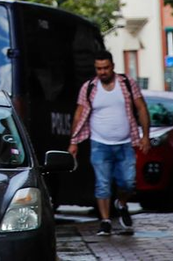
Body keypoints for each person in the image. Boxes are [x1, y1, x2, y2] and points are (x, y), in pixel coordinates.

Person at [68, 49, 149, 236]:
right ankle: (105, 221)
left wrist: (145, 135)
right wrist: (74, 142)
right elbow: (79, 115)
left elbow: (142, 108)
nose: (102, 72)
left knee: (128, 183)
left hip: (126, 143)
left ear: (112, 66)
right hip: (99, 143)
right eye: (98, 68)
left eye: (105, 68)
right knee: (102, 183)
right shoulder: (89, 87)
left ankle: (121, 203)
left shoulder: (127, 84)